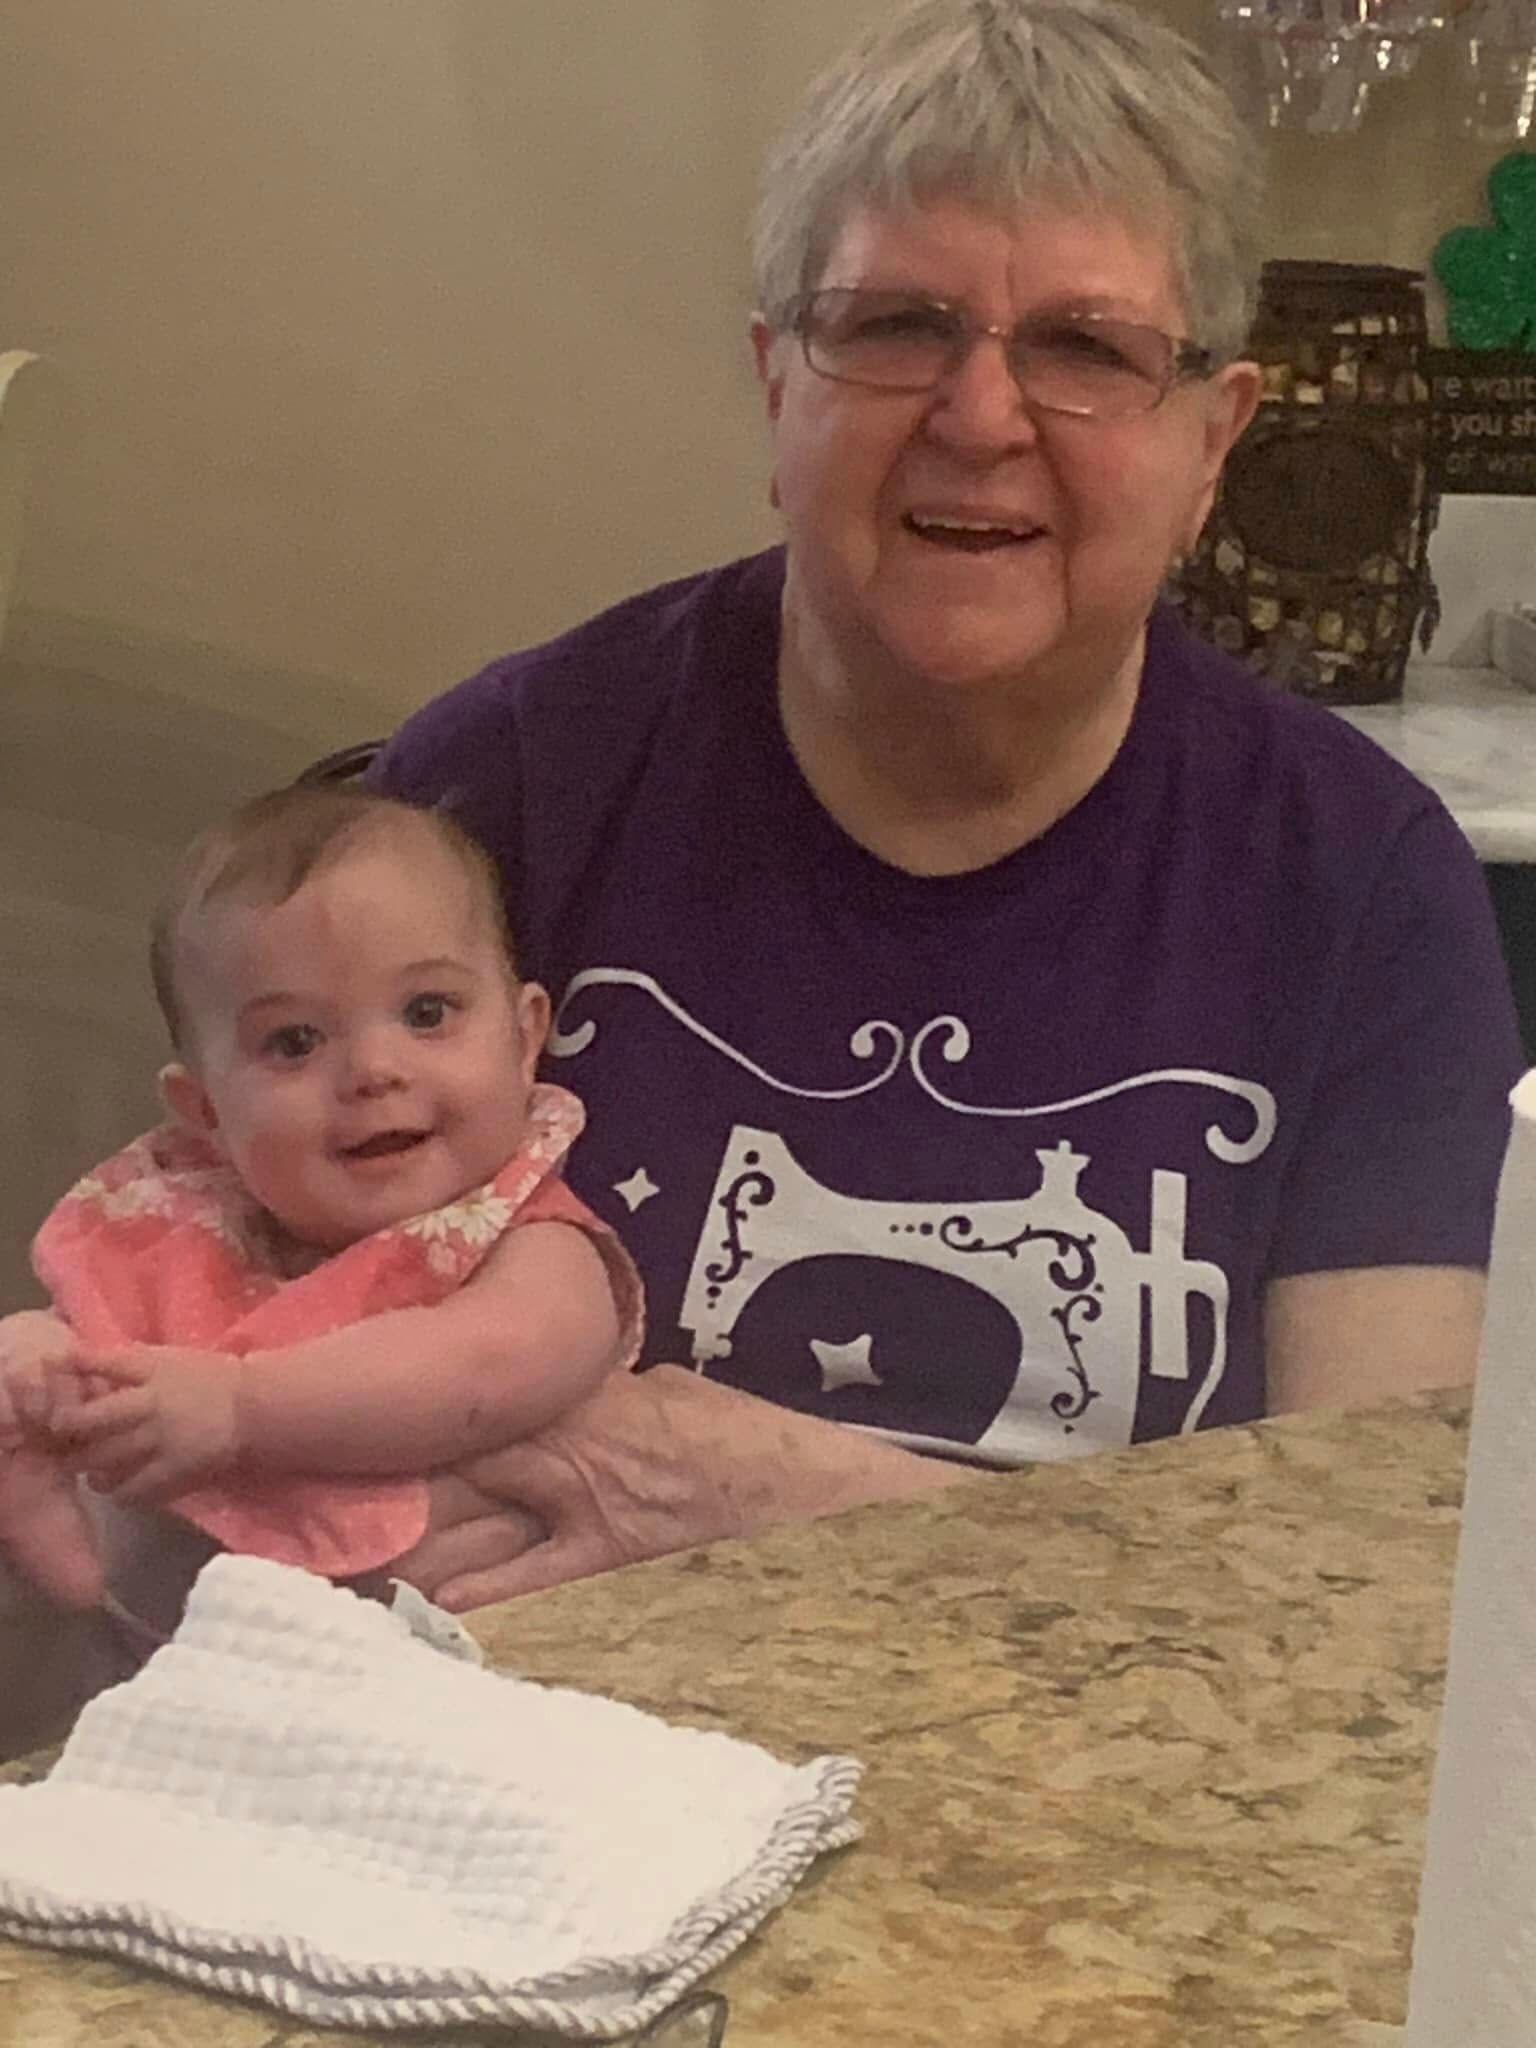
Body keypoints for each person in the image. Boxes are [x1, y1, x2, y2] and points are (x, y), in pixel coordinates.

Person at [0, 0, 1522, 1698]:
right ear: (772, 379)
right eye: (897, 323)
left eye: (1087, 347)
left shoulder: (1359, 878)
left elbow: (1377, 1595)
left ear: (1211, 441)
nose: (980, 412)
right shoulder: (495, 795)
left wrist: (788, 1503)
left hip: (1109, 1802)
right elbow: (190, 1416)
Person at [0, 786, 641, 1731]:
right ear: (207, 1113)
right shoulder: (199, 1223)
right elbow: (128, 1350)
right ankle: (46, 1516)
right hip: (164, 1686)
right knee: (31, 1353)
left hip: (444, 1697)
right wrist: (62, 1374)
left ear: (523, 1036)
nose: (373, 1068)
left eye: (428, 1012)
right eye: (294, 1041)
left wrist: (244, 1407)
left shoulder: (528, 1239)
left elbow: (488, 1365)